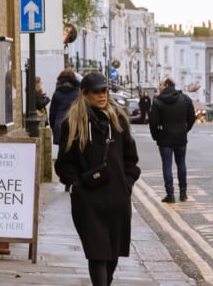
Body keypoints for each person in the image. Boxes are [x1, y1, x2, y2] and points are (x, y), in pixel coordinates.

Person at [54, 72, 141, 286]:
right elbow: (63, 164)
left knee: (112, 255)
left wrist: (127, 183)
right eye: (96, 92)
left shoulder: (118, 119)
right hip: (89, 200)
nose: (102, 95)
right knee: (97, 254)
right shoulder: (73, 123)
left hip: (117, 198)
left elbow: (131, 158)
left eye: (104, 91)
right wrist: (77, 186)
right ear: (85, 94)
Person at [148, 77, 196, 203]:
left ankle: (170, 194)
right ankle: (183, 193)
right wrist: (184, 130)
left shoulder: (158, 101)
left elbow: (153, 122)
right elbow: (192, 117)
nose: (159, 87)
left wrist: (156, 136)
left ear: (166, 85)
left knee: (167, 165)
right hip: (181, 137)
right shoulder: (185, 99)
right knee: (181, 164)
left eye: (161, 84)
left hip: (165, 138)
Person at [48, 69, 80, 147]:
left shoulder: (57, 93)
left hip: (60, 125)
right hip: (75, 125)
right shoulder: (78, 94)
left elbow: (52, 114)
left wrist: (54, 128)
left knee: (62, 150)